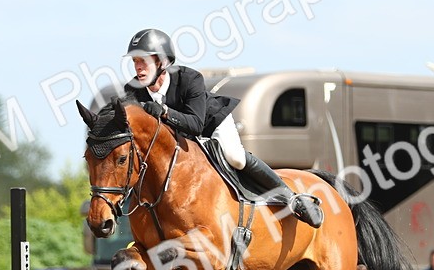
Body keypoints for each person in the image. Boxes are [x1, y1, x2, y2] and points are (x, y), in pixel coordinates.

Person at [121, 28, 323, 228]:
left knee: (235, 157)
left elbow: (195, 124)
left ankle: (293, 198)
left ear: (161, 62)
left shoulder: (189, 79)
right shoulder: (132, 90)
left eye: (143, 61)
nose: (138, 67)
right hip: (178, 137)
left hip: (210, 123)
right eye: (135, 62)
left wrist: (165, 112)